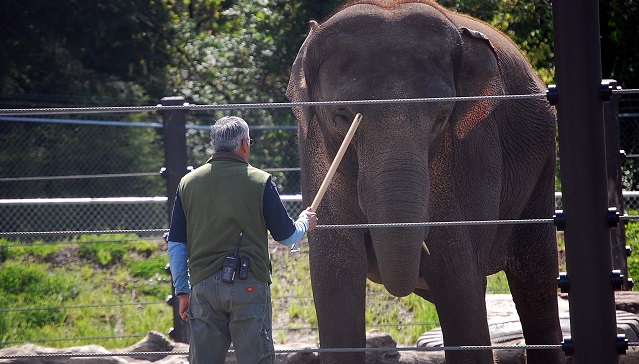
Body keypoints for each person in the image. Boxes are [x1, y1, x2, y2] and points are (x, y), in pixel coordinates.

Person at [167, 115, 318, 364]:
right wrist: (305, 222)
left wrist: (183, 291)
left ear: (214, 145)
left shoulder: (188, 183)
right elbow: (287, 235)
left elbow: (177, 245)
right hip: (249, 285)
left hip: (203, 288)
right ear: (245, 144)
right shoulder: (260, 181)